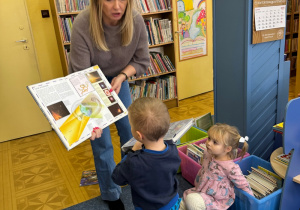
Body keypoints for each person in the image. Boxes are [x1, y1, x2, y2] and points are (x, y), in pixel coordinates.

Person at [69, 0, 150, 208]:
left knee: (130, 133)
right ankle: (111, 193)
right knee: (101, 140)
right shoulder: (82, 23)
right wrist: (92, 116)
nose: (117, 6)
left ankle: (131, 177)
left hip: (117, 80)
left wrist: (123, 75)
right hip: (88, 83)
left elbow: (142, 60)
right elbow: (81, 75)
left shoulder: (135, 19)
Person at [111, 97, 182, 209]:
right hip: (172, 203)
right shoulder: (173, 148)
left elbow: (116, 177)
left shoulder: (133, 161)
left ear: (139, 135)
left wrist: (132, 151)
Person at [180, 123, 254, 210]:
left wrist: (253, 202)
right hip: (200, 191)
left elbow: (243, 184)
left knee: (192, 201)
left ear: (227, 149)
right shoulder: (208, 154)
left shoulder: (231, 167)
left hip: (216, 201)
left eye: (215, 142)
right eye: (209, 138)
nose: (208, 143)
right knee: (180, 204)